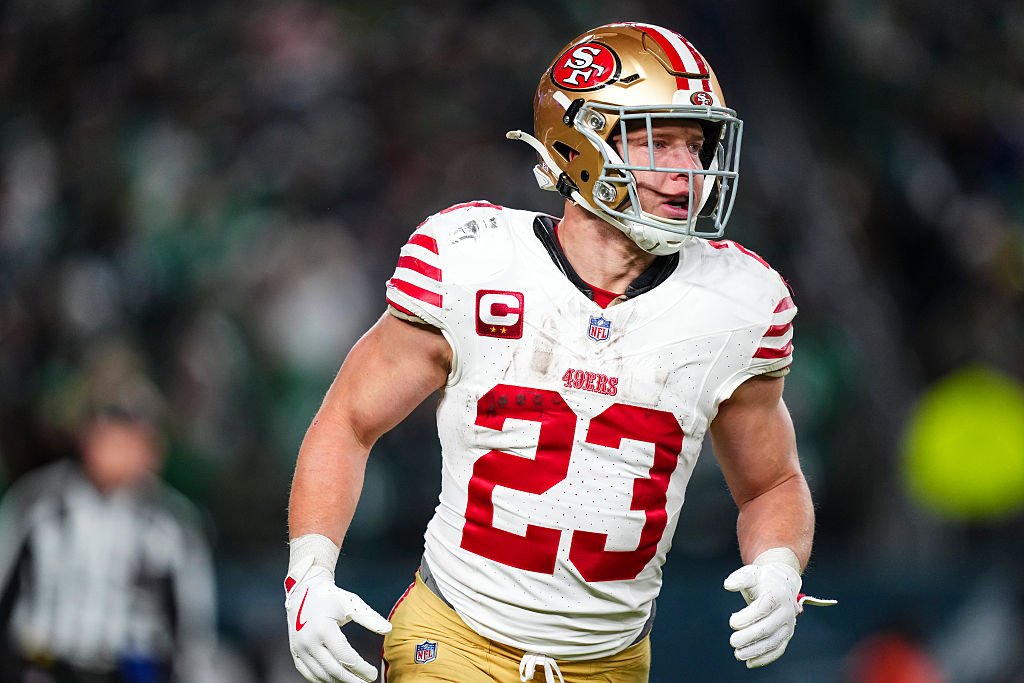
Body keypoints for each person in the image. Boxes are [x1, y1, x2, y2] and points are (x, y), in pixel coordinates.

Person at [284, 21, 833, 683]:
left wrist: (779, 565)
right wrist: (308, 573)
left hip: (612, 663)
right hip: (457, 639)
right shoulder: (473, 259)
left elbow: (773, 482)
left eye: (696, 145)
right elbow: (348, 421)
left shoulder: (737, 301)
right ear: (580, 143)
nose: (689, 172)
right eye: (658, 141)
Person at [0, 375, 219, 683]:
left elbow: (192, 632)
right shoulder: (38, 504)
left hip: (131, 671)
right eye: (112, 433)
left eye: (134, 436)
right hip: (43, 667)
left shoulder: (172, 524)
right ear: (88, 436)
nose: (121, 447)